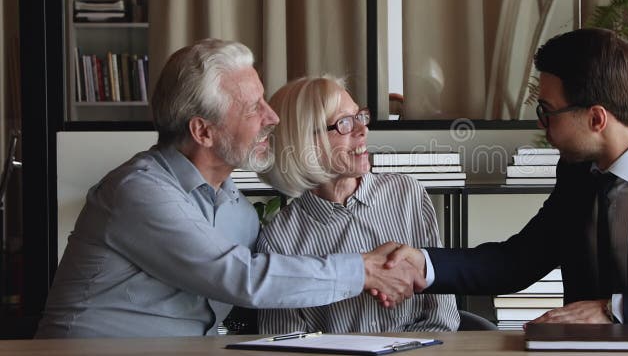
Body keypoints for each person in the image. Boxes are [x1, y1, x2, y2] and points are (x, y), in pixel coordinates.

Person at [386, 28, 628, 332]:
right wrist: (423, 263)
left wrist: (614, 310)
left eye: (547, 111)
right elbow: (518, 261)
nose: (541, 123)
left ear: (596, 119)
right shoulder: (578, 172)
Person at [36, 39, 420, 338]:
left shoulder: (239, 213)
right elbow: (241, 278)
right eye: (253, 108)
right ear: (203, 131)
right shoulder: (138, 191)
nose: (272, 117)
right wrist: (363, 271)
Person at [256, 76, 459, 333]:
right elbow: (285, 342)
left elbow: (442, 318)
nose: (362, 130)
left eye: (359, 116)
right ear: (305, 142)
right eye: (343, 123)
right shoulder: (279, 240)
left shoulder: (408, 195)